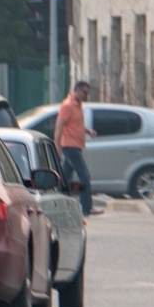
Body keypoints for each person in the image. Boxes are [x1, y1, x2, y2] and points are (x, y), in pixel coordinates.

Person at [55, 82, 98, 216]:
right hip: (69, 146)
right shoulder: (67, 105)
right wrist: (57, 148)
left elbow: (74, 124)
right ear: (77, 90)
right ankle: (86, 207)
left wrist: (87, 131)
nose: (86, 96)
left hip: (76, 145)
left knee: (65, 178)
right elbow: (59, 127)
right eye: (85, 93)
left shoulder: (78, 105)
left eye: (87, 93)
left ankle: (59, 203)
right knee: (84, 175)